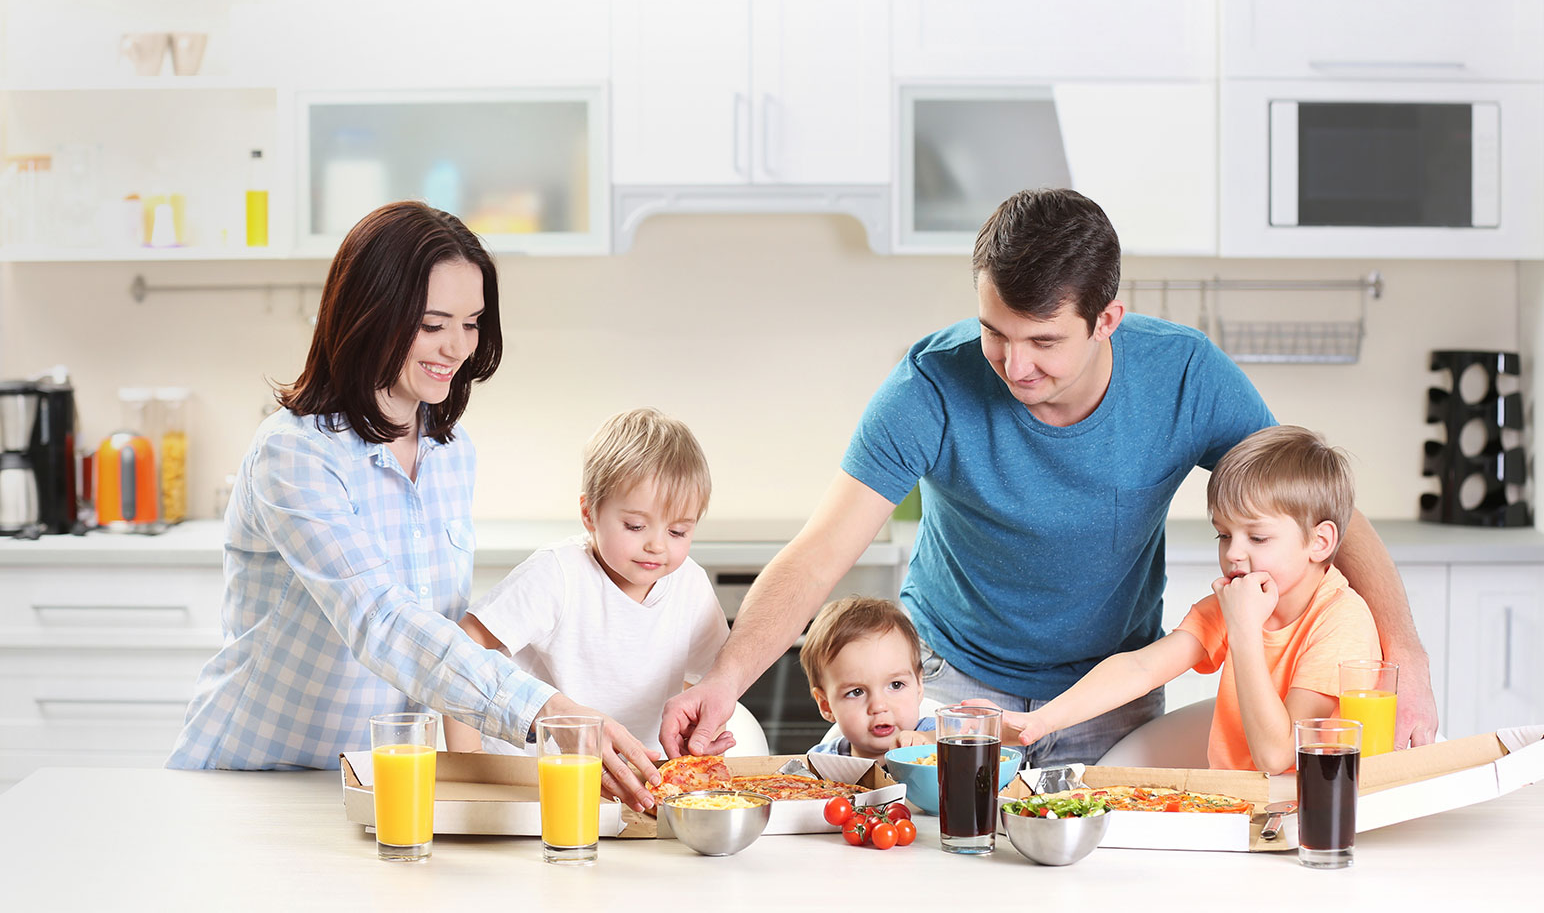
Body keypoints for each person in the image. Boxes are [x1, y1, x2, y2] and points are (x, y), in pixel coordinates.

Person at [662, 188, 1437, 766]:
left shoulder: (1185, 377)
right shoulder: (930, 385)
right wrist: (724, 678)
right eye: (995, 332)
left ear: (1108, 319)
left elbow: (1313, 505)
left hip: (1109, 691)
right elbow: (820, 551)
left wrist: (1406, 653)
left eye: (1043, 340)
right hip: (945, 683)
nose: (1015, 365)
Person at [166, 201, 659, 810]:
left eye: (472, 323)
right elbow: (382, 621)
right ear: (369, 315)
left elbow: (440, 631)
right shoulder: (294, 455)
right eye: (432, 324)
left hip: (387, 780)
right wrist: (544, 711)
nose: (456, 347)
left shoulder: (452, 454)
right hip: (265, 779)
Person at [1002, 425, 1381, 773]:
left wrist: (1243, 630)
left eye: (1258, 538)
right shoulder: (1236, 601)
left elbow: (1277, 756)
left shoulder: (1340, 620)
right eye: (1224, 535)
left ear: (1320, 542)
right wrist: (1044, 721)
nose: (1233, 553)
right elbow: (1141, 669)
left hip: (1309, 820)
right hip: (1240, 809)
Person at [442, 408, 729, 767]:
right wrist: (469, 759)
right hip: (529, 772)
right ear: (590, 513)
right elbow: (461, 648)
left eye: (678, 532)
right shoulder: (557, 574)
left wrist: (695, 732)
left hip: (634, 776)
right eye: (636, 526)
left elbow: (710, 677)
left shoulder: (690, 585)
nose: (657, 545)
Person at [800, 597, 936, 759]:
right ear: (826, 705)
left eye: (896, 685)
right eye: (856, 692)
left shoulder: (935, 736)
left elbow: (965, 737)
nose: (878, 706)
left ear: (919, 686)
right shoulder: (820, 762)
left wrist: (929, 741)